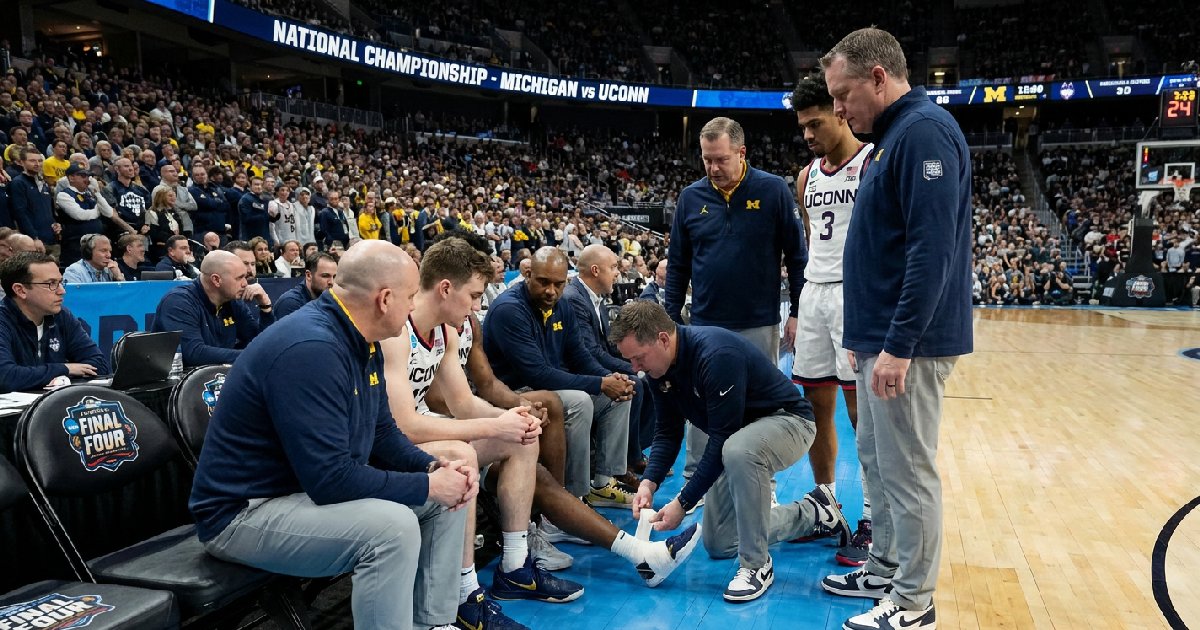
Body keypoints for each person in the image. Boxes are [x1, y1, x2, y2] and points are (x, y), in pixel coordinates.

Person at [188, 241, 475, 630]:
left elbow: (382, 433)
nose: (413, 306)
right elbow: (330, 479)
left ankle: (434, 624)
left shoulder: (361, 338)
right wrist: (427, 486)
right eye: (410, 297)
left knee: (446, 495)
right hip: (241, 513)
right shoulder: (312, 347)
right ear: (385, 299)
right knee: (393, 528)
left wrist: (432, 467)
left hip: (295, 494)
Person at [819, 28, 973, 630]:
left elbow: (931, 253)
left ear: (879, 77)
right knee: (879, 464)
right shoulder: (892, 138)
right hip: (879, 342)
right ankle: (885, 567)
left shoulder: (923, 132)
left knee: (909, 473)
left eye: (844, 94)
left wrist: (898, 345)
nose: (837, 108)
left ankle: (914, 602)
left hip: (907, 346)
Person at [380, 238, 583, 627]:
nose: (477, 307)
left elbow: (464, 403)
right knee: (462, 455)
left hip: (427, 431)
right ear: (445, 289)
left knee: (522, 436)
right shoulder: (396, 333)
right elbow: (402, 426)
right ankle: (464, 594)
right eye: (473, 296)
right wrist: (495, 422)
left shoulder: (445, 331)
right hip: (391, 443)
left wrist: (514, 416)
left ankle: (515, 566)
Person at [612, 301, 850, 603]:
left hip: (790, 422)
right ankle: (816, 512)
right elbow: (668, 432)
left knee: (738, 449)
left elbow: (722, 439)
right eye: (630, 361)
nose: (635, 369)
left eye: (638, 358)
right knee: (720, 541)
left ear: (662, 339)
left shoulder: (715, 355)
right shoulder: (661, 371)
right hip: (740, 440)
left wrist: (683, 502)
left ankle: (756, 565)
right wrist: (650, 482)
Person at [786, 74, 872, 566]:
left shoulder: (870, 163)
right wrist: (799, 307)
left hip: (854, 296)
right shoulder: (806, 176)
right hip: (815, 295)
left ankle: (873, 518)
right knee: (815, 409)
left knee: (864, 419)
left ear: (840, 111)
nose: (808, 135)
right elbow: (813, 238)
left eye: (814, 123)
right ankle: (827, 505)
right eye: (802, 127)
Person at [482, 247, 635, 506]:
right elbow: (537, 374)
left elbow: (580, 358)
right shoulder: (509, 310)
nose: (551, 291)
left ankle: (602, 483)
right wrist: (600, 383)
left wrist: (611, 379)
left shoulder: (561, 305)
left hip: (549, 386)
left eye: (558, 284)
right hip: (512, 393)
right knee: (579, 402)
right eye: (543, 282)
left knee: (617, 397)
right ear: (528, 274)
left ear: (568, 280)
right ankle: (572, 497)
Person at [563, 244, 654, 479]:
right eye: (613, 267)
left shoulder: (595, 299)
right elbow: (590, 352)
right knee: (636, 383)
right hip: (580, 371)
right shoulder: (574, 299)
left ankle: (632, 453)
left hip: (594, 363)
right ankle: (627, 459)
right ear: (595, 270)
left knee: (644, 379)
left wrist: (636, 360)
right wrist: (631, 370)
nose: (617, 272)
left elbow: (609, 345)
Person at [0, 251, 109, 391]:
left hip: (54, 408)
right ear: (20, 290)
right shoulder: (3, 320)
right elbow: (6, 377)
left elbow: (99, 365)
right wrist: (64, 369)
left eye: (60, 282)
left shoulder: (62, 315)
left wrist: (61, 379)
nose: (62, 291)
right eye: (51, 284)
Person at [151, 250, 275, 367]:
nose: (245, 284)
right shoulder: (178, 301)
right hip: (181, 384)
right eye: (239, 278)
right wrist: (253, 355)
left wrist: (266, 308)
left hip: (215, 378)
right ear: (216, 280)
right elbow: (194, 354)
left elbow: (260, 342)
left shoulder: (233, 301)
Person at [56, 164, 134, 266]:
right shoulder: (64, 195)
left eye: (88, 176)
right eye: (83, 176)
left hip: (95, 244)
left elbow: (109, 212)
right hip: (75, 244)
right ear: (71, 177)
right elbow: (81, 215)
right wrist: (98, 210)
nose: (87, 180)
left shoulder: (90, 194)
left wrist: (97, 193)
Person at [10, 145, 60, 260]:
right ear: (21, 162)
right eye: (32, 161)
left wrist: (56, 223)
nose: (37, 164)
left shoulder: (44, 184)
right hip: (33, 242)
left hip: (51, 239)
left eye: (39, 161)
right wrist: (34, 238)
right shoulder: (18, 183)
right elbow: (19, 213)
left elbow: (49, 210)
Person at [275, 251, 337, 319]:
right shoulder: (290, 303)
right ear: (308, 275)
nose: (331, 282)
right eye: (325, 276)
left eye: (334, 277)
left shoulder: (331, 299)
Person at [190, 167, 230, 237]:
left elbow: (226, 205)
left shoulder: (214, 188)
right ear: (193, 177)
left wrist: (213, 203)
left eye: (202, 174)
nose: (200, 177)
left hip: (220, 228)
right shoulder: (192, 190)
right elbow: (207, 203)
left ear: (207, 175)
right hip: (203, 229)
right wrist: (218, 202)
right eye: (197, 175)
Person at [239, 176, 273, 248]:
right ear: (250, 185)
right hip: (250, 238)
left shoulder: (265, 199)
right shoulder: (246, 199)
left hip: (264, 237)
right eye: (256, 184)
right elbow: (246, 218)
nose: (259, 187)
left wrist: (273, 217)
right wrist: (264, 215)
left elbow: (267, 218)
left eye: (261, 184)